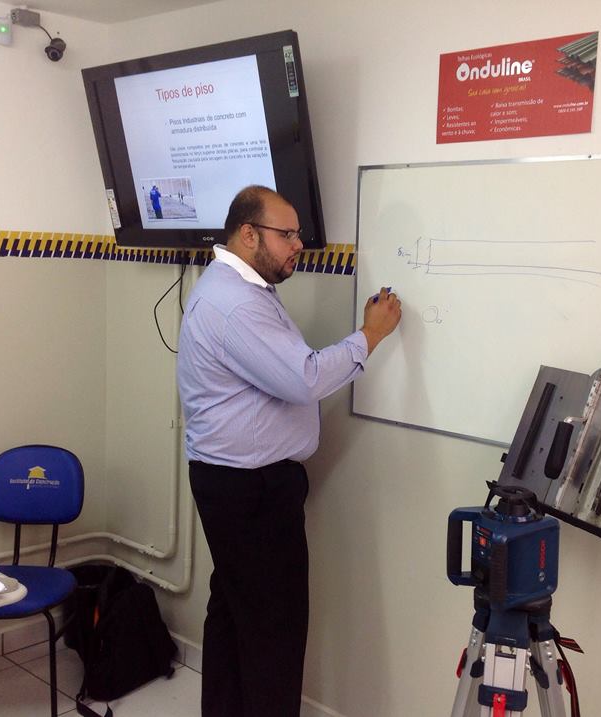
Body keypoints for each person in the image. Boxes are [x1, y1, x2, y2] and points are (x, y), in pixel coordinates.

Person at [176, 185, 401, 717]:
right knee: (273, 631)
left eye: (298, 234)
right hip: (249, 491)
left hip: (234, 483)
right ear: (248, 234)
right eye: (287, 234)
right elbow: (304, 378)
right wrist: (369, 335)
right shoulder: (234, 304)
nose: (299, 244)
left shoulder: (239, 288)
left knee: (235, 615)